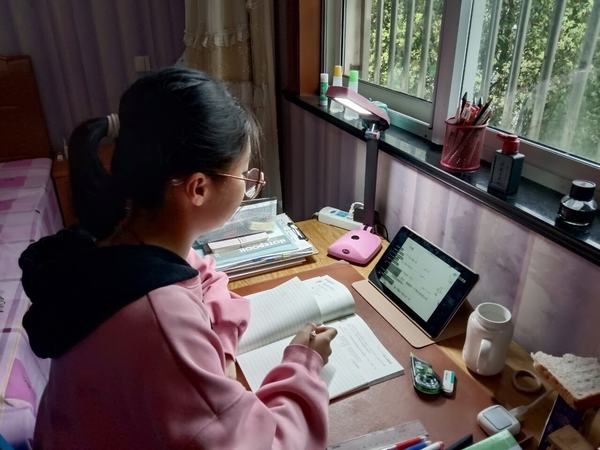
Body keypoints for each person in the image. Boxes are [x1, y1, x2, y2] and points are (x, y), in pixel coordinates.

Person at [19, 67, 337, 449]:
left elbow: (200, 274)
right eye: (245, 177)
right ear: (198, 188)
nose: (250, 186)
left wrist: (219, 345)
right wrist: (304, 365)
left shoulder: (115, 241)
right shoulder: (159, 321)